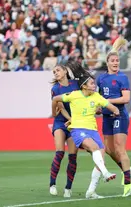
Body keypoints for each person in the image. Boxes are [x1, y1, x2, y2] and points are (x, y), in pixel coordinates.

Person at [51, 69, 118, 196]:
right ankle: (105, 173)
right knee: (93, 149)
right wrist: (55, 114)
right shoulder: (74, 94)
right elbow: (55, 99)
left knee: (101, 156)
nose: (95, 85)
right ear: (84, 86)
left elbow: (110, 106)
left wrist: (116, 111)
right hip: (78, 130)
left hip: (93, 130)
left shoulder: (96, 96)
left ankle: (91, 191)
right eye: (92, 83)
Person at [96, 37, 131, 197]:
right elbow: (97, 99)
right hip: (106, 117)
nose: (115, 63)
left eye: (117, 60)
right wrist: (99, 107)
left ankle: (127, 182)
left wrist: (107, 102)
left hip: (119, 115)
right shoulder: (101, 78)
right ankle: (127, 171)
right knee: (109, 150)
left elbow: (125, 99)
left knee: (119, 147)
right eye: (112, 61)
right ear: (107, 63)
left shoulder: (122, 78)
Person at [49, 64, 80, 198]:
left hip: (75, 123)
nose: (55, 73)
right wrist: (72, 119)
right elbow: (61, 108)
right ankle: (52, 184)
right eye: (54, 71)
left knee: (72, 156)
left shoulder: (76, 84)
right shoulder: (56, 88)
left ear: (65, 71)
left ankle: (68, 187)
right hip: (61, 122)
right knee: (60, 152)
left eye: (58, 70)